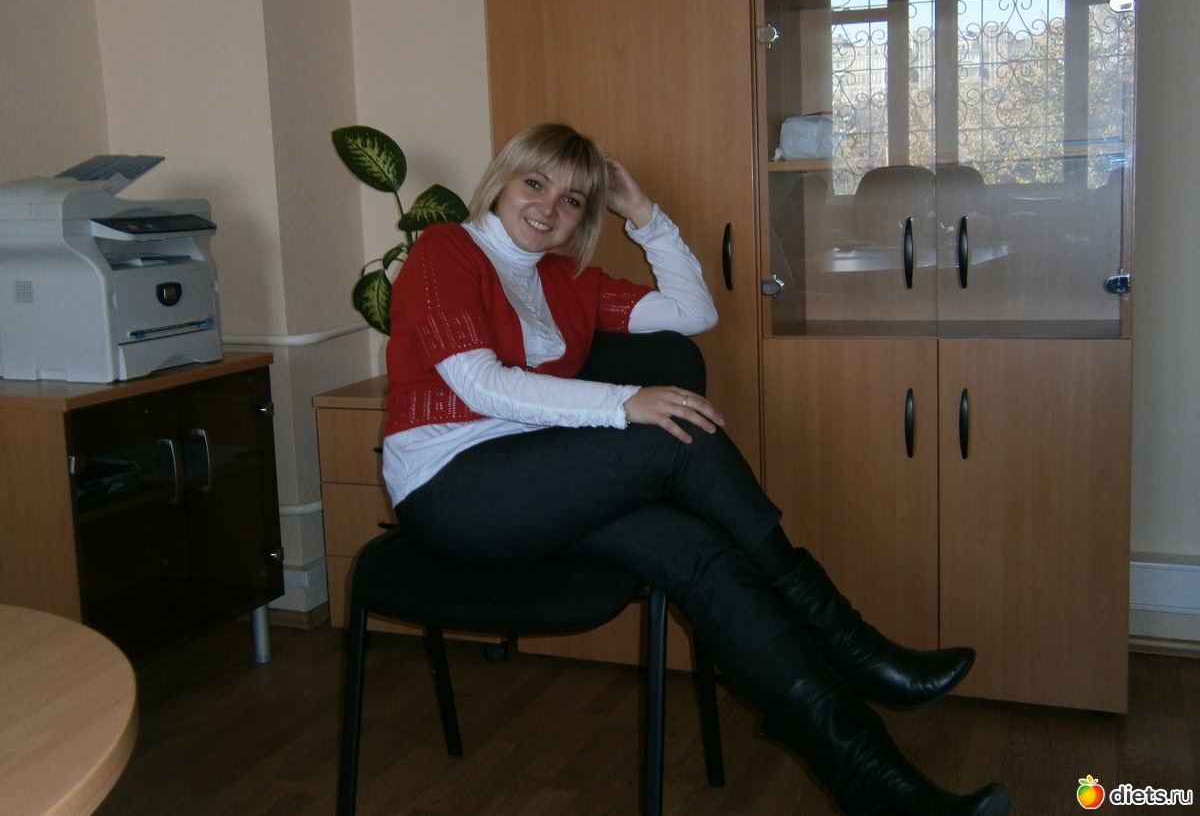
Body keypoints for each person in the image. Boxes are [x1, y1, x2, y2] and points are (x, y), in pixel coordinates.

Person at [382, 123, 1011, 816]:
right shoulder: (446, 249)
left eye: (573, 200)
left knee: (700, 554)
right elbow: (479, 385)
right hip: (451, 488)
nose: (549, 207)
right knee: (676, 434)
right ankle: (845, 638)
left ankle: (878, 782)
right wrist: (626, 402)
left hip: (540, 488)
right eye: (536, 183)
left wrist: (643, 214)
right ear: (503, 179)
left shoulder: (565, 280)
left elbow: (694, 312)